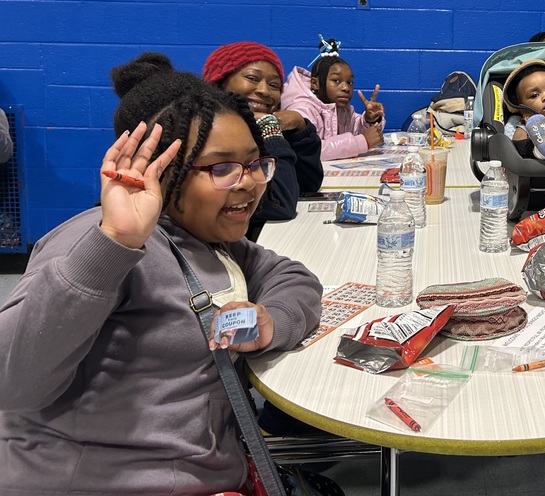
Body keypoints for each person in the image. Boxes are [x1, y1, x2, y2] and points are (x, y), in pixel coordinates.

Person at [0, 53, 322, 495]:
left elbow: (293, 276)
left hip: (209, 469)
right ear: (159, 172)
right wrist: (114, 242)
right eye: (221, 168)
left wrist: (272, 320)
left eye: (254, 163)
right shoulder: (97, 246)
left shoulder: (214, 241)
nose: (249, 182)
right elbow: (12, 385)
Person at [203, 41, 324, 240]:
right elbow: (280, 204)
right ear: (220, 82)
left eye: (274, 85)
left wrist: (302, 131)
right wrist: (271, 131)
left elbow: (308, 184)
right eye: (252, 78)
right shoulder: (212, 138)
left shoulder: (255, 128)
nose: (264, 91)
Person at [281, 36, 384, 159]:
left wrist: (369, 120)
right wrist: (362, 142)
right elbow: (312, 150)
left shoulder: (341, 108)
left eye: (350, 82)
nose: (346, 88)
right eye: (336, 80)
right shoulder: (301, 109)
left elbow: (356, 129)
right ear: (315, 83)